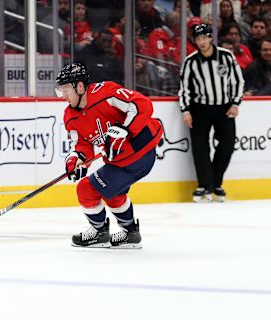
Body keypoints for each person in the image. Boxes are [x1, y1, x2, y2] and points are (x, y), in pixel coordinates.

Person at [55, 62, 163, 248]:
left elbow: (142, 105)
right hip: (120, 162)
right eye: (60, 90)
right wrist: (76, 159)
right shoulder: (70, 117)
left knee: (87, 189)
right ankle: (130, 234)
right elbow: (82, 145)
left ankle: (99, 232)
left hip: (140, 153)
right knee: (111, 191)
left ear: (80, 86)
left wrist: (125, 129)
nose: (63, 95)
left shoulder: (105, 93)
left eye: (66, 89)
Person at [179, 24, 245, 202]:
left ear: (210, 38)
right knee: (200, 146)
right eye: (198, 39)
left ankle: (216, 182)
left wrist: (235, 103)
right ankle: (204, 185)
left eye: (204, 38)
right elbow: (184, 88)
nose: (201, 42)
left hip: (224, 107)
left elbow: (238, 81)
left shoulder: (226, 56)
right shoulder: (190, 61)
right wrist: (186, 110)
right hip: (200, 108)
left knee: (228, 143)